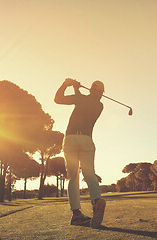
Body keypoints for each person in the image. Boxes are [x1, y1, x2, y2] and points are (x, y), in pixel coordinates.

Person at [54, 78, 106, 228]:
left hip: (70, 139)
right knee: (89, 173)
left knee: (73, 177)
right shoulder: (99, 105)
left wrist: (66, 84)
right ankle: (97, 201)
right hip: (87, 140)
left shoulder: (81, 98)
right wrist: (77, 89)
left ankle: (76, 215)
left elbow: (58, 99)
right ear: (101, 94)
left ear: (90, 90)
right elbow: (84, 101)